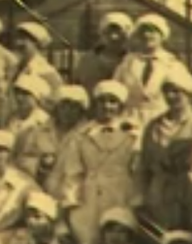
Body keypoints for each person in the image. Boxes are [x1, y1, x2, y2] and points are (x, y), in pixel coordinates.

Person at [57, 81, 139, 244]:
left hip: (121, 195)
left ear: (121, 106)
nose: (107, 106)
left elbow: (138, 170)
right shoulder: (80, 135)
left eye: (112, 101)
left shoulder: (133, 134)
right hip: (89, 199)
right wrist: (70, 202)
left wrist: (135, 201)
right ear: (94, 105)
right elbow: (73, 173)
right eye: (102, 101)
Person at [134, 64, 192, 234]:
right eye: (167, 91)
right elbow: (144, 166)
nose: (171, 96)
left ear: (190, 94)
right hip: (160, 193)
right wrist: (140, 196)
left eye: (177, 91)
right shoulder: (153, 126)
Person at [112, 14, 183, 125]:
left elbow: (187, 95)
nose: (146, 35)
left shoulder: (172, 64)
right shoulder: (127, 63)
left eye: (152, 31)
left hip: (163, 119)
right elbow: (114, 92)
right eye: (142, 31)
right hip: (129, 119)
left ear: (162, 35)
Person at [71, 13, 132, 97]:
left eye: (119, 32)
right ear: (101, 33)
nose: (113, 37)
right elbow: (76, 87)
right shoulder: (87, 60)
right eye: (109, 32)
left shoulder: (133, 61)